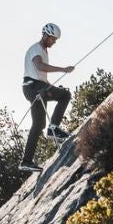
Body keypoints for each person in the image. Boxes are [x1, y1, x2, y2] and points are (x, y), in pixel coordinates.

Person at [19, 23, 76, 172]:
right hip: (32, 87)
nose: (54, 42)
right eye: (52, 38)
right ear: (45, 35)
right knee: (40, 122)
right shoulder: (36, 49)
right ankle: (52, 130)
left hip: (39, 86)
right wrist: (63, 69)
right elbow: (39, 66)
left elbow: (41, 76)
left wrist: (51, 87)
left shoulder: (44, 51)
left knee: (63, 97)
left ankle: (52, 130)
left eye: (55, 39)